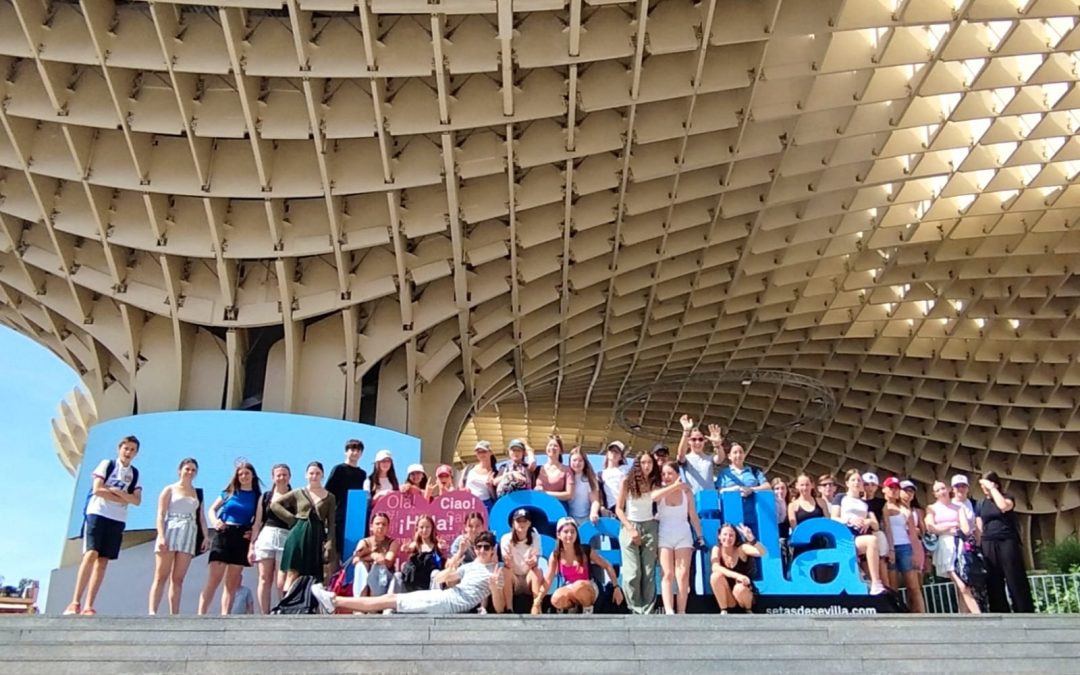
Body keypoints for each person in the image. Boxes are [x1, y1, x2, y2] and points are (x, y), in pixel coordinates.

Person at [312, 531, 506, 615]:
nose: (481, 550)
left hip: (449, 604)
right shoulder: (470, 565)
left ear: (492, 549)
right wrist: (460, 554)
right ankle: (334, 602)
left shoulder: (497, 571)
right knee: (390, 598)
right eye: (478, 546)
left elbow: (499, 609)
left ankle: (334, 601)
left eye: (485, 547)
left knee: (390, 600)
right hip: (443, 595)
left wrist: (495, 587)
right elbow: (442, 578)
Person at [65, 436, 143, 616]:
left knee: (103, 561)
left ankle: (88, 605)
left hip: (117, 518)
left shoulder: (134, 474)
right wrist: (122, 496)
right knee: (91, 553)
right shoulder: (107, 465)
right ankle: (75, 601)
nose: (128, 452)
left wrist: (118, 493)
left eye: (132, 450)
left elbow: (137, 500)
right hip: (98, 513)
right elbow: (98, 489)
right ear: (119, 448)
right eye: (126, 448)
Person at [615, 451, 686, 614]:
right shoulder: (627, 481)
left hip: (650, 526)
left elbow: (657, 495)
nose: (647, 466)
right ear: (638, 465)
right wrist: (630, 528)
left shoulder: (655, 482)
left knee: (648, 571)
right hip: (630, 525)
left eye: (650, 463)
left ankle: (647, 609)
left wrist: (675, 485)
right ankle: (635, 607)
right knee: (632, 572)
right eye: (644, 463)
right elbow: (619, 509)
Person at [198, 461, 263, 615]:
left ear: (253, 475)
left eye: (247, 473)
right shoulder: (228, 492)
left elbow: (258, 521)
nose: (244, 476)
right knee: (214, 578)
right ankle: (201, 613)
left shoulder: (258, 497)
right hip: (224, 533)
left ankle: (225, 614)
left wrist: (253, 538)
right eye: (240, 474)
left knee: (232, 582)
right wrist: (215, 522)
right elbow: (212, 509)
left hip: (242, 537)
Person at [149, 457, 208, 615]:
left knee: (178, 578)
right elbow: (161, 514)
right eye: (187, 469)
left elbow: (201, 517)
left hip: (189, 532)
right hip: (171, 529)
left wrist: (205, 537)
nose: (190, 472)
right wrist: (161, 536)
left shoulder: (198, 493)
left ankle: (174, 613)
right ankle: (152, 611)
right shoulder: (169, 489)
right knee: (161, 575)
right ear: (180, 470)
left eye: (193, 470)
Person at [273, 461, 338, 591]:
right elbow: (275, 505)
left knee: (313, 576)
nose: (314, 476)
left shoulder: (330, 497)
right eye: (311, 473)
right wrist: (292, 519)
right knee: (293, 572)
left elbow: (331, 523)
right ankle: (287, 606)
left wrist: (330, 544)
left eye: (317, 473)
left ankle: (306, 606)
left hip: (316, 535)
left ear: (322, 475)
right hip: (298, 533)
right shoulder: (298, 492)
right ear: (306, 475)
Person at [976, 472, 1034, 613]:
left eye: (986, 485)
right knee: (993, 577)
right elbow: (979, 525)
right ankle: (999, 609)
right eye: (982, 486)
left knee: (1014, 575)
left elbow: (1003, 506)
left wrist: (993, 489)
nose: (984, 489)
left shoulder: (1007, 497)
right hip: (989, 541)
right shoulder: (980, 503)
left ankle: (1023, 609)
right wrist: (979, 545)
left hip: (1006, 539)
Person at [540, 517, 622, 613]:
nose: (569, 535)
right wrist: (537, 601)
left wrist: (616, 587)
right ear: (558, 534)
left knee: (579, 586)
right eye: (566, 532)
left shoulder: (585, 550)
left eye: (572, 531)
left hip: (588, 586)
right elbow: (548, 579)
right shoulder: (555, 555)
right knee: (556, 598)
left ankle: (587, 610)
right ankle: (572, 610)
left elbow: (607, 566)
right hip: (569, 587)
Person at [925, 480, 980, 613]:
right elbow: (931, 528)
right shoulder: (932, 508)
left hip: (959, 545)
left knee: (963, 583)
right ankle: (978, 614)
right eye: (937, 490)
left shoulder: (958, 508)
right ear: (934, 494)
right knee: (962, 585)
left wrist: (945, 528)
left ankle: (965, 616)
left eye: (943, 488)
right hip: (945, 547)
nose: (941, 492)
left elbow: (965, 528)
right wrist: (951, 525)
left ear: (948, 489)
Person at [656, 461, 703, 614]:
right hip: (664, 535)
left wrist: (700, 535)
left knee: (682, 574)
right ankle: (669, 610)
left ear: (677, 474)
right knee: (667, 573)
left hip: (683, 534)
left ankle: (681, 610)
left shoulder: (687, 492)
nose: (667, 477)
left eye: (670, 473)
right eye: (664, 474)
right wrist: (674, 486)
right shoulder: (659, 491)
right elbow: (653, 497)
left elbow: (693, 515)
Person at [829, 469, 886, 594]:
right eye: (853, 480)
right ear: (847, 483)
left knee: (872, 540)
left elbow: (876, 525)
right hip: (845, 535)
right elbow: (833, 518)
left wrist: (868, 521)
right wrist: (849, 519)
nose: (856, 483)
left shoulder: (865, 503)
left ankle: (876, 582)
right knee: (871, 541)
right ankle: (872, 580)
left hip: (860, 536)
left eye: (859, 480)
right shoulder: (840, 498)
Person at [252, 463, 292, 613]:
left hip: (286, 538)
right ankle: (264, 613)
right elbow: (257, 523)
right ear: (273, 477)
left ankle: (283, 610)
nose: (281, 478)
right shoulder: (266, 497)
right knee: (264, 578)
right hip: (266, 537)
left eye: (284, 475)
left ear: (289, 477)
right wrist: (251, 546)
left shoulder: (295, 496)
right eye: (278, 475)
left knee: (281, 581)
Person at [882, 477, 923, 613]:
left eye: (896, 488)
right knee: (893, 587)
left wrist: (917, 553)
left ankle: (922, 614)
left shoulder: (904, 507)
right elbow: (887, 528)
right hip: (892, 547)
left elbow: (912, 532)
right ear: (885, 490)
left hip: (906, 546)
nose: (894, 491)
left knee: (913, 586)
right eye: (891, 488)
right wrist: (891, 549)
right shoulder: (885, 507)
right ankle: (898, 614)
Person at [710, 523, 766, 613]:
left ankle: (748, 610)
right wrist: (737, 576)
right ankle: (724, 610)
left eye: (731, 535)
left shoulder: (741, 548)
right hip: (729, 597)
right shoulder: (717, 549)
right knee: (715, 576)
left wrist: (752, 540)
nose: (728, 538)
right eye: (725, 534)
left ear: (736, 537)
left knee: (739, 588)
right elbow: (715, 567)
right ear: (719, 536)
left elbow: (762, 553)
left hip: (744, 593)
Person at [325, 439, 367, 559]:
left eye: (358, 450)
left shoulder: (362, 474)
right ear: (346, 452)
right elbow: (328, 491)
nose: (355, 453)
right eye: (352, 449)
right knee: (337, 550)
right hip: (339, 515)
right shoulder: (338, 469)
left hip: (354, 517)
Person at [717, 441, 770, 534]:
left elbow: (767, 486)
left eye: (741, 452)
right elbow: (719, 490)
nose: (738, 455)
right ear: (729, 456)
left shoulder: (754, 471)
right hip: (732, 514)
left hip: (754, 513)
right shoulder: (724, 473)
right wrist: (733, 490)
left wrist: (752, 489)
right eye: (735, 452)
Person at [499, 508, 544, 614]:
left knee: (537, 571)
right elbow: (506, 562)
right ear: (513, 523)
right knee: (505, 571)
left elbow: (536, 558)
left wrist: (533, 561)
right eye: (519, 521)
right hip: (514, 579)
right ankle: (509, 609)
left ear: (529, 523)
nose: (522, 524)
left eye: (525, 521)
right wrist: (508, 561)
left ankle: (537, 607)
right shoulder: (505, 539)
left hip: (528, 577)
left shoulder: (535, 537)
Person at [351, 512, 399, 597]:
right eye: (377, 524)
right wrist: (373, 555)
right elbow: (355, 560)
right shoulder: (364, 542)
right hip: (366, 578)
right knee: (360, 566)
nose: (380, 527)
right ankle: (360, 601)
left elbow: (387, 562)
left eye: (384, 524)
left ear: (388, 527)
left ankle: (374, 603)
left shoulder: (392, 543)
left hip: (383, 581)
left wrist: (368, 556)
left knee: (378, 566)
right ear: (371, 526)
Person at [675, 415, 725, 493]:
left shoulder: (710, 457)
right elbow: (681, 454)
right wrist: (686, 432)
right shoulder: (686, 458)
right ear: (689, 441)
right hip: (691, 497)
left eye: (700, 439)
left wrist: (718, 445)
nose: (697, 442)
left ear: (704, 441)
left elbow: (720, 459)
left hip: (708, 497)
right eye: (694, 439)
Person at [399, 514, 445, 592]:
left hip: (430, 582)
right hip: (416, 581)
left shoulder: (436, 545)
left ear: (432, 528)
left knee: (436, 573)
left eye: (427, 527)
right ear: (417, 528)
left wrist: (441, 547)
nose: (424, 530)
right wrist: (406, 548)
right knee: (398, 576)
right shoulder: (415, 544)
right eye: (421, 527)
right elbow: (409, 549)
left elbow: (441, 551)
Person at [862, 472, 889, 584]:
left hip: (877, 535)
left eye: (873, 484)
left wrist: (891, 547)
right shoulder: (857, 502)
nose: (870, 487)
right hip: (863, 536)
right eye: (867, 484)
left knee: (883, 571)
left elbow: (887, 525)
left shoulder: (882, 503)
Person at [566, 447, 601, 526]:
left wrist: (594, 513)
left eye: (580, 460)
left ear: (585, 462)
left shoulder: (590, 479)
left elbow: (595, 501)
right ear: (569, 461)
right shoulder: (566, 477)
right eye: (574, 460)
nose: (577, 463)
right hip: (570, 519)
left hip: (588, 518)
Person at [459, 441, 498, 511]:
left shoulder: (495, 473)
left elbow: (496, 497)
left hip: (486, 506)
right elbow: (460, 487)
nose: (481, 454)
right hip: (468, 504)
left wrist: (490, 487)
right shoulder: (468, 469)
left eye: (484, 451)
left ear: (490, 452)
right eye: (478, 452)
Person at [899, 480, 927, 574]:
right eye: (905, 490)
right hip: (901, 542)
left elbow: (923, 531)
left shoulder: (918, 511)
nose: (909, 493)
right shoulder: (894, 509)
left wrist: (919, 531)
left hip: (916, 543)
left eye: (911, 491)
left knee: (918, 572)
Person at [534, 435, 572, 502]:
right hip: (539, 507)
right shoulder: (537, 469)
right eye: (550, 445)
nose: (552, 448)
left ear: (560, 450)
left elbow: (569, 494)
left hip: (557, 508)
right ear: (546, 449)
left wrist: (545, 493)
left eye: (555, 446)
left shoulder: (567, 470)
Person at [599, 441, 631, 514]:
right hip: (611, 509)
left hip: (627, 507)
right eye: (611, 451)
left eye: (617, 452)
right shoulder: (601, 474)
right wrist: (602, 507)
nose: (613, 453)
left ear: (621, 456)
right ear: (607, 453)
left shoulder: (626, 469)